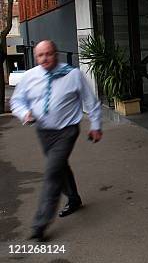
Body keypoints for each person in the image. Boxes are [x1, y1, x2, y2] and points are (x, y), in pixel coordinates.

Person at [10, 40, 102, 241]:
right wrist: (25, 113)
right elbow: (16, 101)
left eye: (48, 54)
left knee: (52, 173)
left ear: (56, 54)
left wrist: (95, 126)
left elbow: (90, 101)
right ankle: (74, 198)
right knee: (60, 167)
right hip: (44, 132)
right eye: (40, 55)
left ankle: (40, 225)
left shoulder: (72, 74)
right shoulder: (29, 76)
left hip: (67, 131)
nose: (44, 58)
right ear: (36, 57)